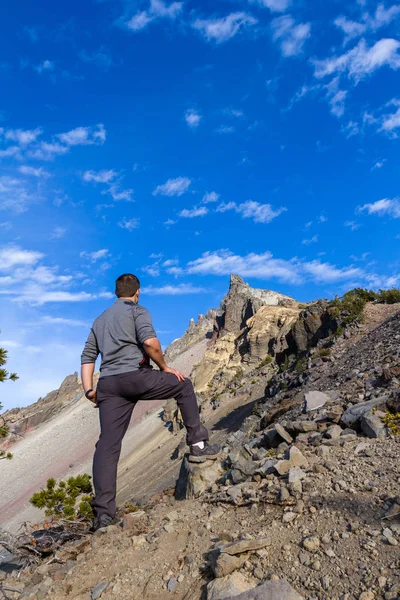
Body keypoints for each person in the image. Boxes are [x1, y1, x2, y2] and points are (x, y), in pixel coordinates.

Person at [81, 273, 220, 531]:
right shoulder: (138, 311)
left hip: (109, 385)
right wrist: (165, 367)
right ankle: (198, 445)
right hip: (136, 377)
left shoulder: (100, 321)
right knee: (184, 386)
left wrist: (90, 391)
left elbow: (87, 357)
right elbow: (150, 343)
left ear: (115, 292)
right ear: (137, 292)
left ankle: (103, 515)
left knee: (107, 445)